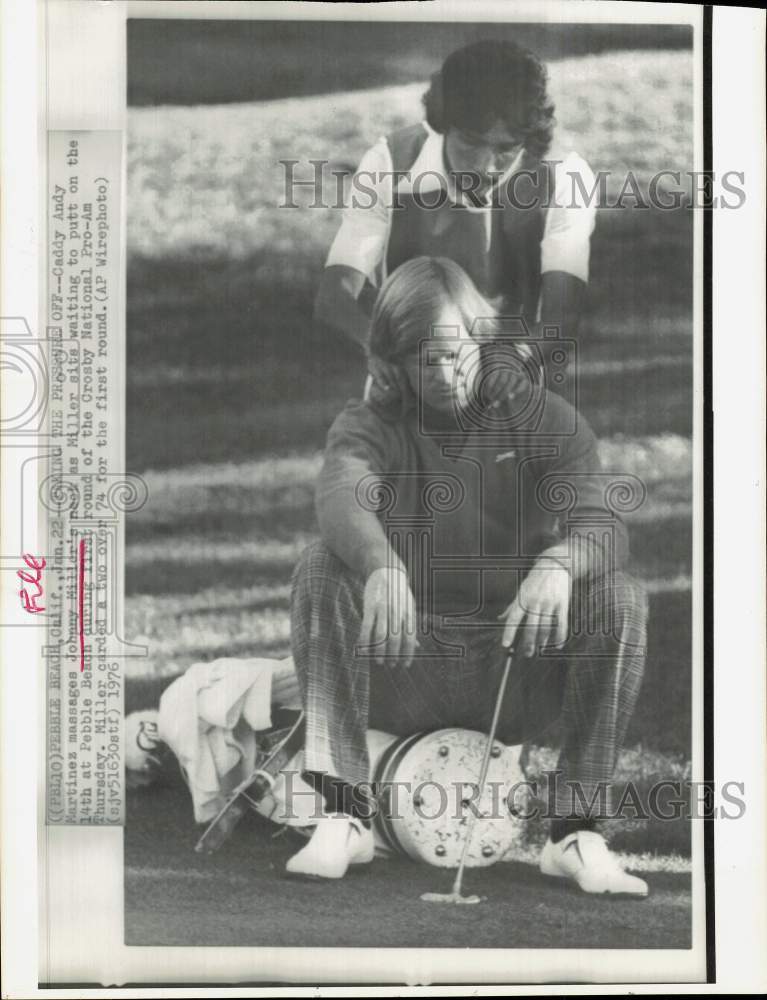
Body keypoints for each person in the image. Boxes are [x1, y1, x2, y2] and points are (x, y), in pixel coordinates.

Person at [288, 257, 648, 895]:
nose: (446, 374)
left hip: (516, 664)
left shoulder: (542, 417)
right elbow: (342, 494)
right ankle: (343, 813)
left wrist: (562, 565)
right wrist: (380, 566)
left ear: (482, 338)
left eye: (456, 353)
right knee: (322, 565)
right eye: (425, 361)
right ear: (394, 361)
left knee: (619, 598)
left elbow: (603, 525)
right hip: (407, 664)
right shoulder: (368, 423)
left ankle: (576, 831)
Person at [314, 39, 596, 403]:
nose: (485, 166)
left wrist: (518, 359)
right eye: (471, 143)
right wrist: (378, 349)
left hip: (511, 385)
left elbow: (563, 314)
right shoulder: (390, 161)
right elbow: (334, 295)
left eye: (505, 148)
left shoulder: (565, 178)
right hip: (411, 385)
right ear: (444, 123)